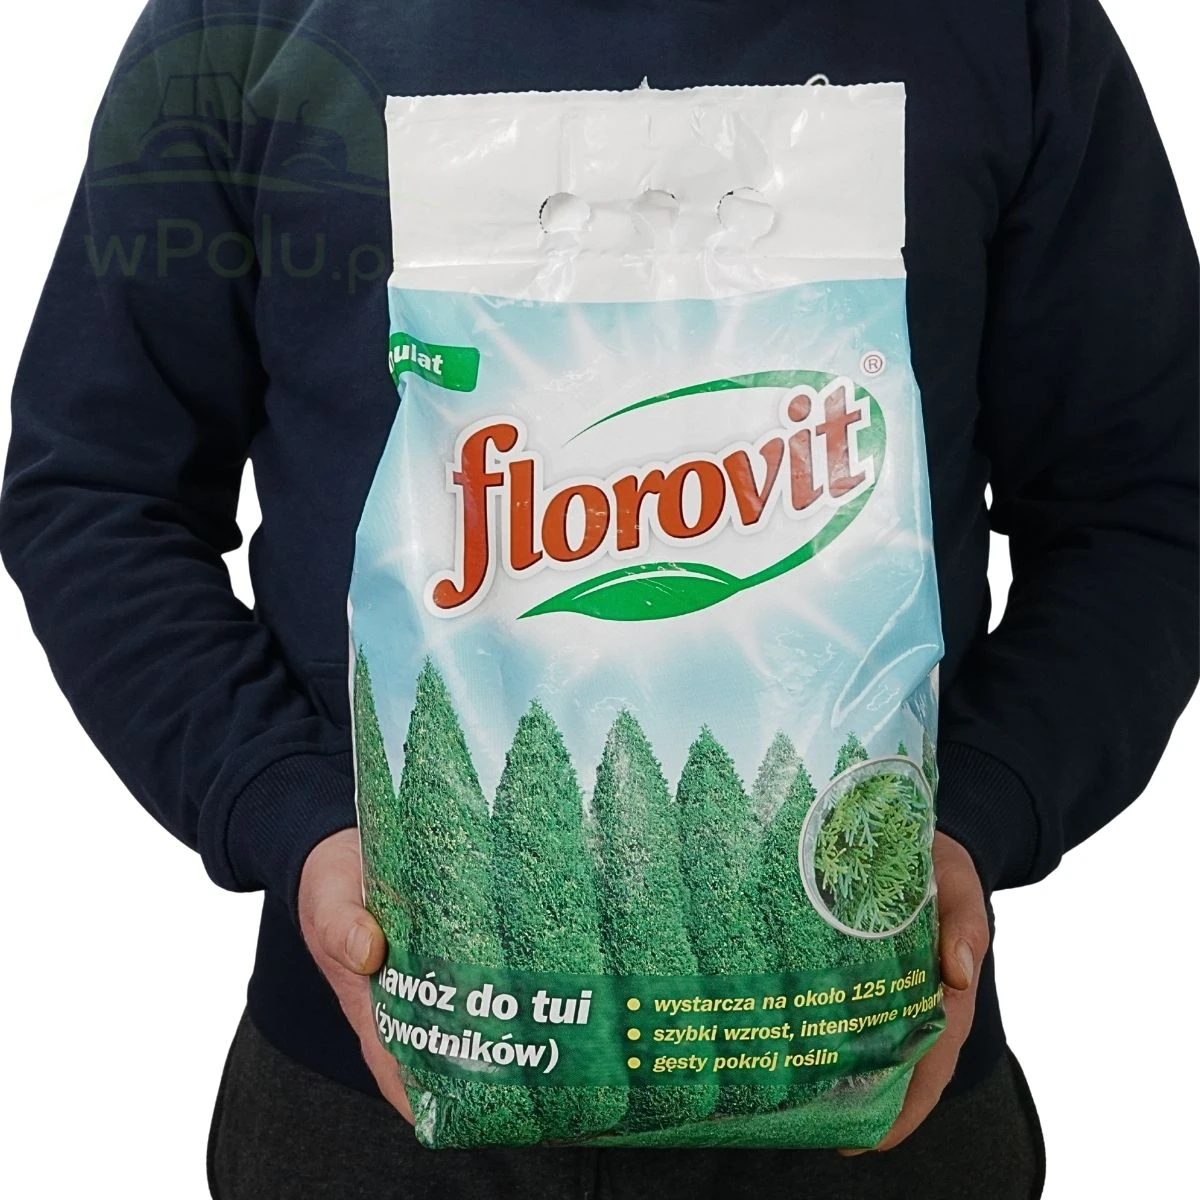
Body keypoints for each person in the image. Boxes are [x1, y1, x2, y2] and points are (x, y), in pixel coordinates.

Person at [2, 1, 1195, 1197]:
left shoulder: (1005, 25)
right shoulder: (248, 26)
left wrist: (970, 818)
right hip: (363, 1102)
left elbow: (1147, 501)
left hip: (876, 1078)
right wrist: (289, 813)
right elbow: (95, 488)